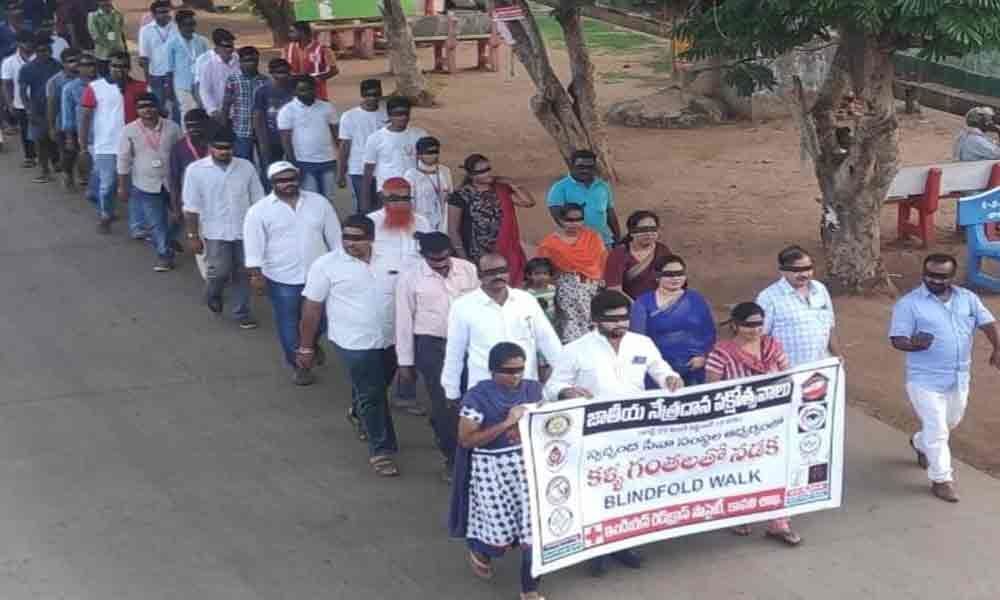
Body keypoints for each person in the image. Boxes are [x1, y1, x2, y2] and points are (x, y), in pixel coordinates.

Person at [544, 289, 682, 576]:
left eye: (624, 319)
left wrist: (670, 378)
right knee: (597, 492)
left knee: (628, 490)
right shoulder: (575, 349)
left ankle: (623, 544)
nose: (620, 325)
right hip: (595, 434)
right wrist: (566, 391)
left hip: (635, 431)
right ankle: (596, 550)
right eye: (612, 320)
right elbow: (551, 386)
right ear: (595, 320)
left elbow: (660, 369)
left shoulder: (641, 343)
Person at [297, 214, 404, 477]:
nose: (350, 243)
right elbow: (312, 308)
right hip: (353, 342)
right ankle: (381, 450)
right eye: (346, 237)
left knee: (379, 385)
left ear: (371, 238)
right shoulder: (326, 266)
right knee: (373, 393)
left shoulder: (393, 260)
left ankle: (357, 412)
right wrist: (306, 347)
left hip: (390, 339)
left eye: (357, 238)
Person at [889, 253, 1000, 503]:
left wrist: (997, 348)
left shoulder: (967, 299)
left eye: (941, 276)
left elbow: (988, 323)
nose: (934, 280)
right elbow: (897, 339)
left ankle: (919, 442)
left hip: (959, 377)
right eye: (929, 275)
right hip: (923, 380)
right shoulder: (909, 304)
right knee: (938, 430)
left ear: (951, 277)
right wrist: (914, 344)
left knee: (950, 421)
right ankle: (941, 479)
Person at [448, 341, 544, 600]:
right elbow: (466, 440)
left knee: (534, 530)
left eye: (521, 369)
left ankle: (529, 589)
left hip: (529, 467)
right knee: (497, 531)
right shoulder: (477, 397)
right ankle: (480, 550)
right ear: (493, 370)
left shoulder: (533, 390)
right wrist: (507, 423)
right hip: (493, 469)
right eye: (509, 371)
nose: (516, 376)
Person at [705, 301, 801, 545]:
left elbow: (788, 375)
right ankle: (740, 513)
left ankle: (779, 521)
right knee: (741, 469)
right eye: (748, 325)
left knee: (777, 467)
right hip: (739, 425)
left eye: (759, 324)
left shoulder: (771, 345)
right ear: (736, 325)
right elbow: (713, 389)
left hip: (773, 419)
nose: (755, 330)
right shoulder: (721, 352)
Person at [244, 161, 342, 385]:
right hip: (281, 278)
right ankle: (299, 365)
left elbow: (336, 239)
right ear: (272, 183)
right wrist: (256, 276)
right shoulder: (258, 211)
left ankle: (309, 343)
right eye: (281, 180)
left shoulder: (319, 203)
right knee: (288, 323)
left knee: (325, 321)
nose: (288, 184)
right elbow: (253, 247)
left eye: (292, 179)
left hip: (320, 275)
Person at [395, 231, 479, 480]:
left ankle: (473, 450)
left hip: (468, 344)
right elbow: (403, 321)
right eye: (434, 261)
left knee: (471, 399)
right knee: (446, 403)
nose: (441, 265)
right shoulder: (410, 279)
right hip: (432, 346)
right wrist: (405, 363)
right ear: (423, 256)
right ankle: (453, 458)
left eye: (445, 259)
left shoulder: (468, 270)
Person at [442, 252, 563, 404]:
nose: (498, 276)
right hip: (485, 390)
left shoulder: (525, 300)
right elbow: (455, 352)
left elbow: (548, 340)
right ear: (479, 275)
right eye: (491, 273)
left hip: (526, 387)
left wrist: (565, 377)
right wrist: (451, 391)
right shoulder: (463, 306)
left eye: (502, 271)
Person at [182, 127, 265, 329]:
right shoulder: (196, 170)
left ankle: (242, 312)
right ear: (210, 148)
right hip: (214, 232)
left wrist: (263, 230)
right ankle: (214, 293)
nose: (224, 152)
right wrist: (192, 235)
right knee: (219, 272)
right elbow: (191, 207)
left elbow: (259, 201)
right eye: (219, 148)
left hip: (245, 230)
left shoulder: (246, 168)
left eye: (228, 148)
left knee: (242, 272)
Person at [79, 50, 148, 234]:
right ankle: (106, 214)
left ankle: (137, 226)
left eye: (124, 66)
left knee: (135, 186)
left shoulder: (141, 87)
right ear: (109, 67)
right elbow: (85, 117)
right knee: (107, 184)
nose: (120, 70)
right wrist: (83, 145)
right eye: (115, 66)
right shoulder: (95, 87)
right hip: (106, 145)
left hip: (135, 145)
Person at [117, 92, 183, 271]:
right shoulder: (129, 130)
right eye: (142, 107)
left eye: (151, 105)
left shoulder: (173, 128)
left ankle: (168, 239)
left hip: (173, 183)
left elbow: (182, 152)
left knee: (181, 215)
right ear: (137, 110)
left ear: (158, 107)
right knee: (156, 222)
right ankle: (164, 255)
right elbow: (124, 159)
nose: (147, 110)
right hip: (144, 183)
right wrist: (122, 185)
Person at [447, 154, 535, 286]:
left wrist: (512, 183)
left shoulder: (501, 189)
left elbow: (528, 202)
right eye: (481, 171)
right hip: (476, 253)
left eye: (488, 169)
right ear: (471, 175)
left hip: (504, 249)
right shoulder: (460, 195)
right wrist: (463, 257)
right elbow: (452, 229)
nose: (487, 173)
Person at [629, 255, 716, 385]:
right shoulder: (643, 302)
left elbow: (709, 333)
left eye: (679, 274)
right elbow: (637, 340)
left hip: (694, 369)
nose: (675, 278)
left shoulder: (696, 299)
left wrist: (704, 357)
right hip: (657, 372)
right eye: (669, 274)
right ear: (657, 276)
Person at [536, 203, 608, 343]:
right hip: (565, 288)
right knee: (571, 322)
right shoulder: (549, 243)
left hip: (594, 286)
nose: (575, 224)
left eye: (579, 219)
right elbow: (545, 270)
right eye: (570, 220)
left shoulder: (592, 237)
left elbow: (603, 260)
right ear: (561, 220)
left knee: (595, 321)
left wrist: (602, 280)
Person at [756, 245, 839, 367]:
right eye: (797, 270)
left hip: (822, 368)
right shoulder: (768, 298)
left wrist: (837, 357)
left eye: (808, 268)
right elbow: (758, 338)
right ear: (782, 271)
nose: (804, 274)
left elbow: (829, 328)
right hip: (787, 373)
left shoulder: (820, 289)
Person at [277, 75, 338, 200]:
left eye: (311, 89)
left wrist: (341, 159)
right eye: (303, 90)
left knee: (329, 198)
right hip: (304, 162)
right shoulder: (287, 111)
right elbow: (285, 140)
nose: (308, 93)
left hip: (328, 160)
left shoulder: (327, 107)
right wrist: (293, 163)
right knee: (311, 198)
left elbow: (336, 134)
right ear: (295, 91)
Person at [361, 96, 427, 212]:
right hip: (386, 193)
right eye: (398, 114)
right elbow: (368, 171)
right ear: (389, 115)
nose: (403, 117)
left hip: (413, 192)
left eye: (406, 113)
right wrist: (365, 201)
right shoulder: (375, 138)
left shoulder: (420, 135)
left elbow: (426, 165)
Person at [546, 149, 620, 247]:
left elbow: (610, 213)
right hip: (575, 244)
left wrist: (617, 237)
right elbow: (559, 218)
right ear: (571, 166)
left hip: (604, 242)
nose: (585, 170)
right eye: (581, 167)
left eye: (590, 167)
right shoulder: (559, 188)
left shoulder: (603, 186)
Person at [337, 78, 386, 212]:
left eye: (376, 94)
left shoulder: (387, 114)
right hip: (358, 168)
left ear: (381, 93)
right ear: (362, 95)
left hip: (383, 168)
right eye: (368, 95)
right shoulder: (349, 116)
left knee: (381, 208)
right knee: (364, 207)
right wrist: (341, 173)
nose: (372, 98)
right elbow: (344, 146)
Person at [19, 33, 61, 183]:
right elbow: (23, 92)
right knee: (40, 141)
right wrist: (29, 110)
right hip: (37, 110)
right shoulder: (27, 69)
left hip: (56, 109)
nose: (45, 53)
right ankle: (44, 171)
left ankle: (58, 164)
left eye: (47, 50)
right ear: (36, 51)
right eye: (41, 50)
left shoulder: (57, 65)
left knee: (56, 139)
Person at [604, 210, 673, 300]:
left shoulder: (663, 250)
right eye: (643, 230)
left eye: (653, 229)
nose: (648, 233)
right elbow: (614, 290)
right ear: (632, 232)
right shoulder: (619, 254)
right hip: (628, 306)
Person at [368, 177, 430, 269]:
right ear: (384, 199)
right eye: (394, 198)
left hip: (416, 277)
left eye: (405, 198)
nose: (400, 203)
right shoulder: (371, 221)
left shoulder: (422, 222)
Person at [167, 108, 211, 236]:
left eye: (197, 125)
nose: (192, 130)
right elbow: (174, 179)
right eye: (188, 126)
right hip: (191, 200)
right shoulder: (179, 148)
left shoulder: (216, 144)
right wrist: (176, 208)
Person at [163, 10, 209, 125]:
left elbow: (208, 63)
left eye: (193, 24)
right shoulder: (172, 43)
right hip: (182, 85)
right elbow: (169, 70)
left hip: (200, 83)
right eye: (187, 25)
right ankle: (187, 138)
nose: (191, 28)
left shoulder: (202, 41)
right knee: (188, 111)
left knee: (202, 110)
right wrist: (169, 91)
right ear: (179, 25)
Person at [221, 45, 266, 161]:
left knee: (266, 163)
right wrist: (224, 129)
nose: (251, 64)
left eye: (254, 60)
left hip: (262, 130)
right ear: (240, 61)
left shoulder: (265, 81)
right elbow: (226, 106)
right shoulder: (233, 80)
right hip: (241, 130)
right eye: (247, 60)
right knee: (243, 163)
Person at [60, 51, 96, 190]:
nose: (91, 68)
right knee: (72, 154)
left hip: (100, 130)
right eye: (86, 65)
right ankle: (68, 174)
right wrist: (69, 137)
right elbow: (67, 115)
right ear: (79, 67)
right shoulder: (70, 88)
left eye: (92, 64)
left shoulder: (104, 83)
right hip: (79, 131)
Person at [252, 57, 294, 174]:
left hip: (294, 139)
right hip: (272, 140)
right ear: (271, 73)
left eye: (285, 72)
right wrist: (262, 142)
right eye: (279, 73)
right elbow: (258, 118)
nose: (283, 76)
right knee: (272, 171)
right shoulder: (262, 91)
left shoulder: (295, 88)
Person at [403, 135, 453, 233]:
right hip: (420, 224)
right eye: (428, 152)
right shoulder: (411, 174)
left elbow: (450, 195)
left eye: (436, 152)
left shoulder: (445, 171)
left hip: (442, 223)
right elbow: (408, 203)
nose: (433, 155)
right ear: (419, 154)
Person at [137, 0, 176, 121]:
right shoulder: (145, 30)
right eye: (161, 12)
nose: (165, 14)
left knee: (176, 107)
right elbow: (144, 57)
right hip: (156, 75)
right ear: (153, 15)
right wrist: (148, 81)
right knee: (157, 108)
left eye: (166, 11)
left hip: (175, 74)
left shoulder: (176, 27)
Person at [47, 46, 80, 189]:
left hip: (84, 123)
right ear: (63, 63)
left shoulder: (88, 77)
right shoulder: (54, 81)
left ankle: (83, 175)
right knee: (68, 152)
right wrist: (52, 127)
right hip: (63, 123)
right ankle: (67, 173)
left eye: (77, 60)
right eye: (70, 61)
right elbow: (52, 105)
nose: (75, 64)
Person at [2, 30, 36, 167]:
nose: (28, 44)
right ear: (18, 43)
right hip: (20, 103)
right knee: (25, 131)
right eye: (24, 42)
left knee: (43, 132)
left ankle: (51, 158)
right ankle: (30, 156)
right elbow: (6, 85)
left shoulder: (40, 58)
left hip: (39, 101)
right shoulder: (8, 62)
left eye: (29, 41)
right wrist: (9, 104)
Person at [284, 21, 337, 101]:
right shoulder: (287, 49)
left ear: (302, 32)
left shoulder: (323, 49)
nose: (289, 35)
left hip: (317, 95)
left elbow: (334, 71)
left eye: (292, 32)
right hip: (294, 96)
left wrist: (315, 79)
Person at [522, 256, 556, 380]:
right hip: (536, 331)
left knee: (551, 358)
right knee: (540, 359)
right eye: (537, 274)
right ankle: (541, 383)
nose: (541, 277)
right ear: (529, 275)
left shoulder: (554, 290)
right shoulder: (527, 294)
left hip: (553, 329)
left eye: (545, 273)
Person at [193, 28, 238, 121]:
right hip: (216, 112)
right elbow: (201, 88)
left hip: (235, 113)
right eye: (227, 46)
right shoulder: (204, 61)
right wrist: (209, 109)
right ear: (217, 47)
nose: (231, 49)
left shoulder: (238, 60)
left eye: (232, 46)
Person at [86, 0, 125, 76]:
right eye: (102, 1)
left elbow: (120, 31)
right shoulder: (93, 16)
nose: (105, 3)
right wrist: (111, 48)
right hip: (103, 54)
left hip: (118, 53)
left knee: (120, 77)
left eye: (107, 1)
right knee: (105, 78)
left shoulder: (118, 14)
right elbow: (95, 36)